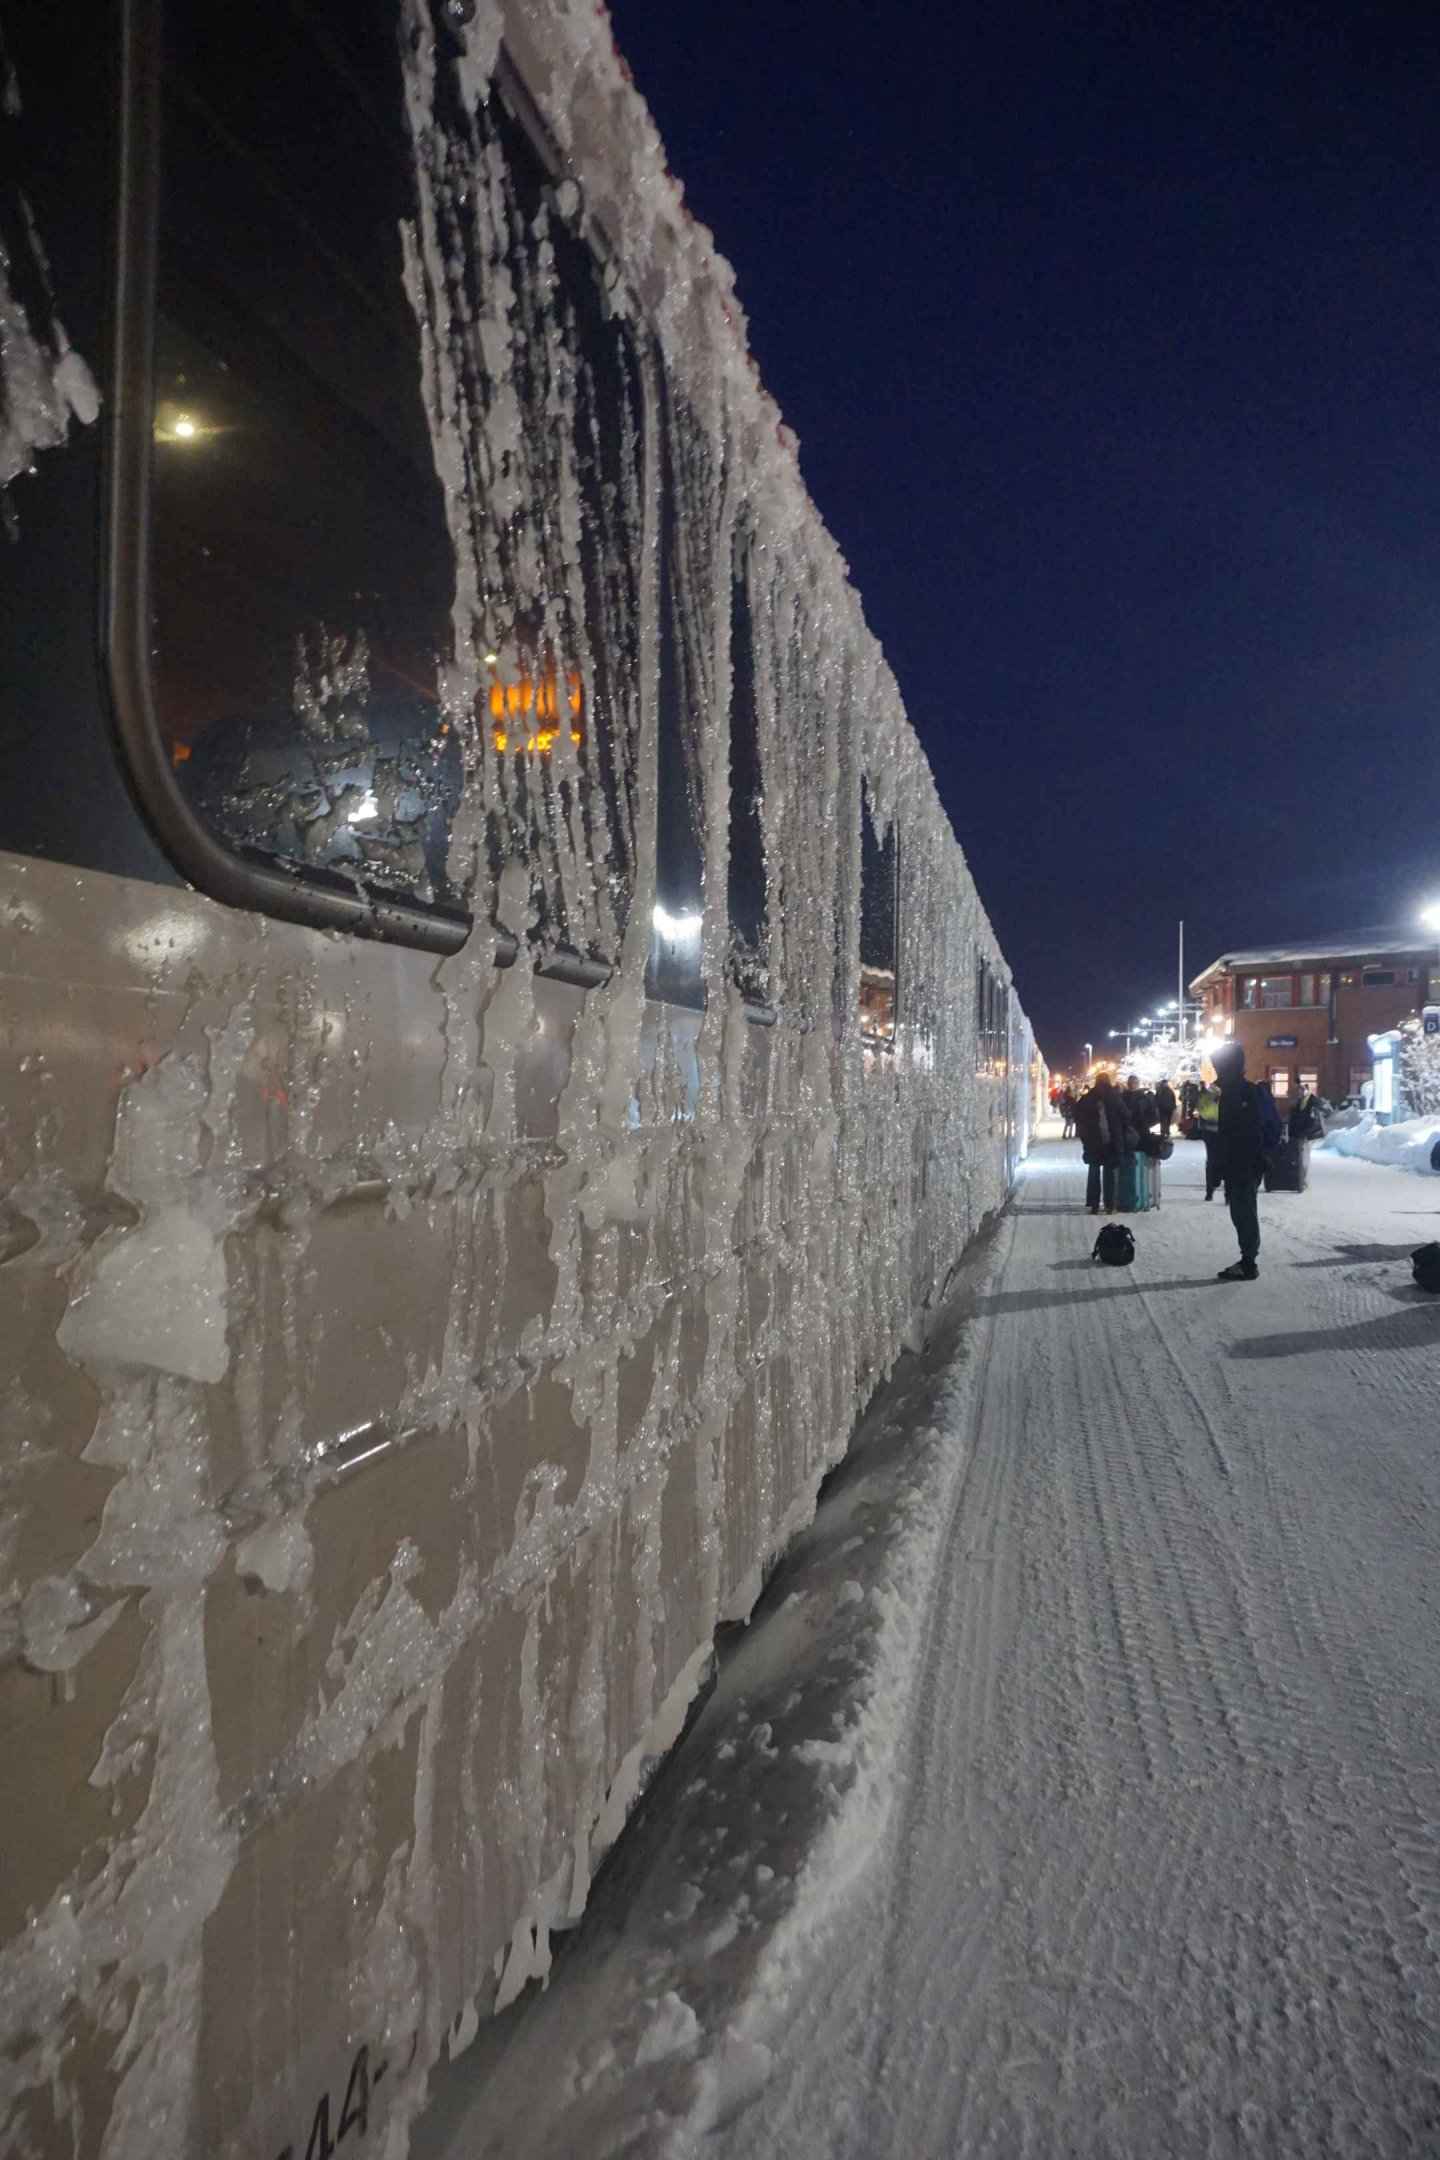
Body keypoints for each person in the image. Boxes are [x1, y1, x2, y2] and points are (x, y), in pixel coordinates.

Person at [1211, 1042, 1281, 1280]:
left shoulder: (1239, 1094)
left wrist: (1257, 1154)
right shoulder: (1238, 1092)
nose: (1216, 1070)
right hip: (1243, 1162)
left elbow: (1228, 1133)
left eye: (1218, 1066)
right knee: (1241, 1210)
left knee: (1243, 1211)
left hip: (1244, 1162)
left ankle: (1249, 1263)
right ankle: (1248, 1259)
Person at [1074, 1071, 1134, 1215]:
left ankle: (1094, 1204)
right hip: (1111, 1141)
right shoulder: (1115, 1097)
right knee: (1109, 1174)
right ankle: (1109, 1205)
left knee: (1094, 1172)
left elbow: (1077, 1115)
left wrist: (1085, 1135)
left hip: (1093, 1142)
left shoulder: (1088, 1098)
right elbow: (1127, 1116)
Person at [1194, 1080, 1222, 1199]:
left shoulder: (1206, 1096)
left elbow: (1201, 1110)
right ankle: (1228, 1193)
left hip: (1209, 1132)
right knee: (1226, 1160)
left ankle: (1209, 1191)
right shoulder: (1227, 1095)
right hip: (1223, 1132)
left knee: (1211, 1160)